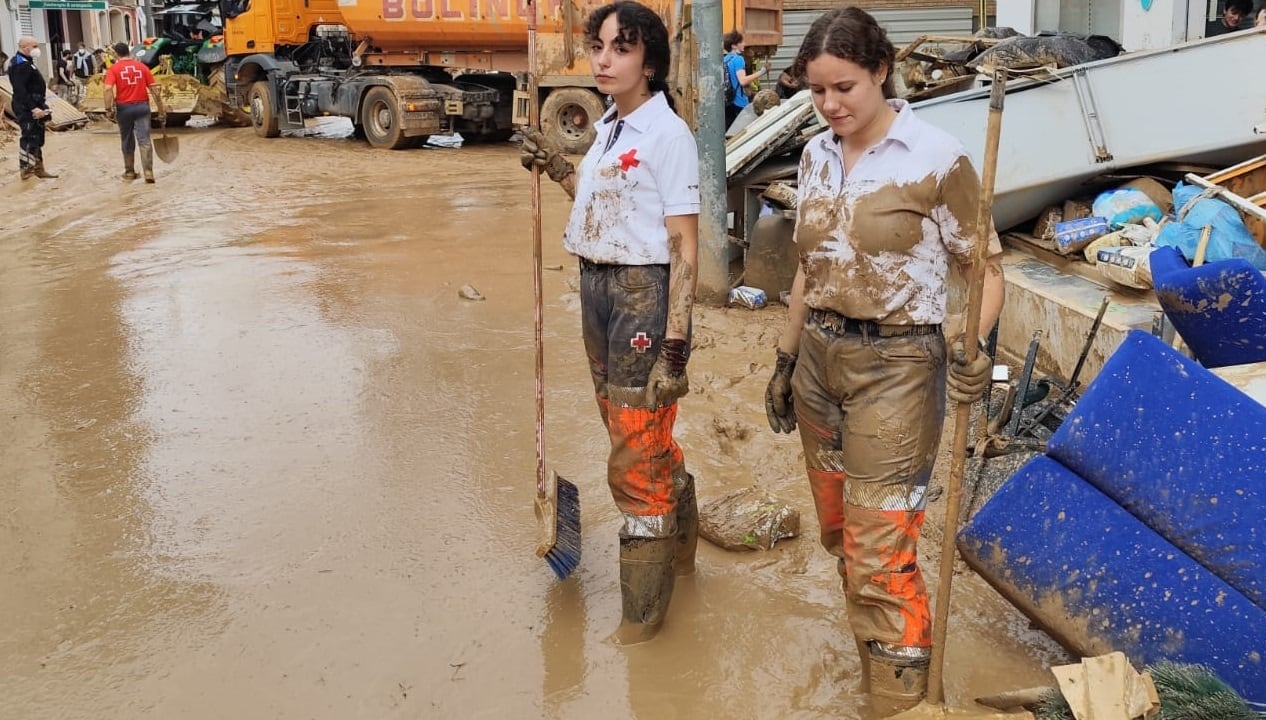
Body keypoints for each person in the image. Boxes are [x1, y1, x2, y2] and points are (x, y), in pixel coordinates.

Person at [763, 7, 1003, 714]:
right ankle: (876, 669)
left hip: (899, 367)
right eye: (818, 92)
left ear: (881, 72)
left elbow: (987, 269)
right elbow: (811, 265)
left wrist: (976, 347)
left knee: (881, 551)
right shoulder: (815, 155)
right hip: (819, 365)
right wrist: (785, 357)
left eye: (845, 88)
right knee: (842, 534)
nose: (831, 105)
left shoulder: (937, 156)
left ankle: (901, 703)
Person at [518, 1, 700, 645]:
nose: (602, 58)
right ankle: (683, 551)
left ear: (648, 61)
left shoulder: (667, 135)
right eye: (598, 45)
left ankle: (643, 623)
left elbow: (682, 245)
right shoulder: (611, 128)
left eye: (620, 48)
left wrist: (675, 346)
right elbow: (607, 209)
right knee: (632, 432)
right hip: (596, 286)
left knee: (633, 448)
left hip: (641, 294)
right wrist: (557, 166)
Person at [103, 42, 166, 183]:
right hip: (142, 108)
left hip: (124, 109)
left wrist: (108, 109)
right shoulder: (142, 67)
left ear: (116, 54)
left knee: (127, 139)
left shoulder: (113, 69)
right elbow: (155, 90)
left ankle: (129, 172)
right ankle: (148, 172)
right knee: (144, 139)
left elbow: (107, 89)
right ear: (129, 52)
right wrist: (161, 110)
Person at [7, 37, 58, 180]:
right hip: (26, 107)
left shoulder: (27, 62)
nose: (37, 48)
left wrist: (42, 106)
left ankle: (38, 169)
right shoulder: (19, 64)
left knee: (37, 136)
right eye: (34, 46)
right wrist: (33, 108)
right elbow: (20, 89)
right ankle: (26, 171)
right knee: (29, 136)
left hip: (36, 103)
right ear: (25, 47)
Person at [723, 31, 766, 128]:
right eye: (741, 42)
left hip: (728, 101)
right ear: (734, 45)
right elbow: (743, 81)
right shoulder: (738, 59)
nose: (744, 44)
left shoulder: (725, 59)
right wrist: (761, 72)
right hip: (739, 102)